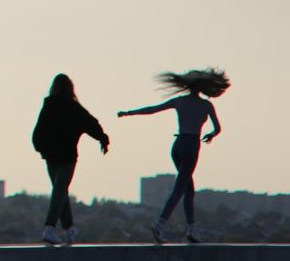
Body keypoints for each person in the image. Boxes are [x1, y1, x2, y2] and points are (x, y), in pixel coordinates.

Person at [118, 67, 229, 244]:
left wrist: (129, 113)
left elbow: (153, 109)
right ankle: (160, 224)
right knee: (180, 189)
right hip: (192, 146)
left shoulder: (179, 102)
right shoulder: (206, 105)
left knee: (188, 189)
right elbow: (218, 128)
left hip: (177, 145)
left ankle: (191, 229)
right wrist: (211, 135)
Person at [31, 73, 110, 246]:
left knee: (60, 192)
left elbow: (37, 133)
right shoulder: (73, 108)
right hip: (67, 157)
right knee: (60, 191)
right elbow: (91, 124)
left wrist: (41, 150)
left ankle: (68, 229)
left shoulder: (48, 107)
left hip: (51, 157)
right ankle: (49, 228)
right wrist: (103, 138)